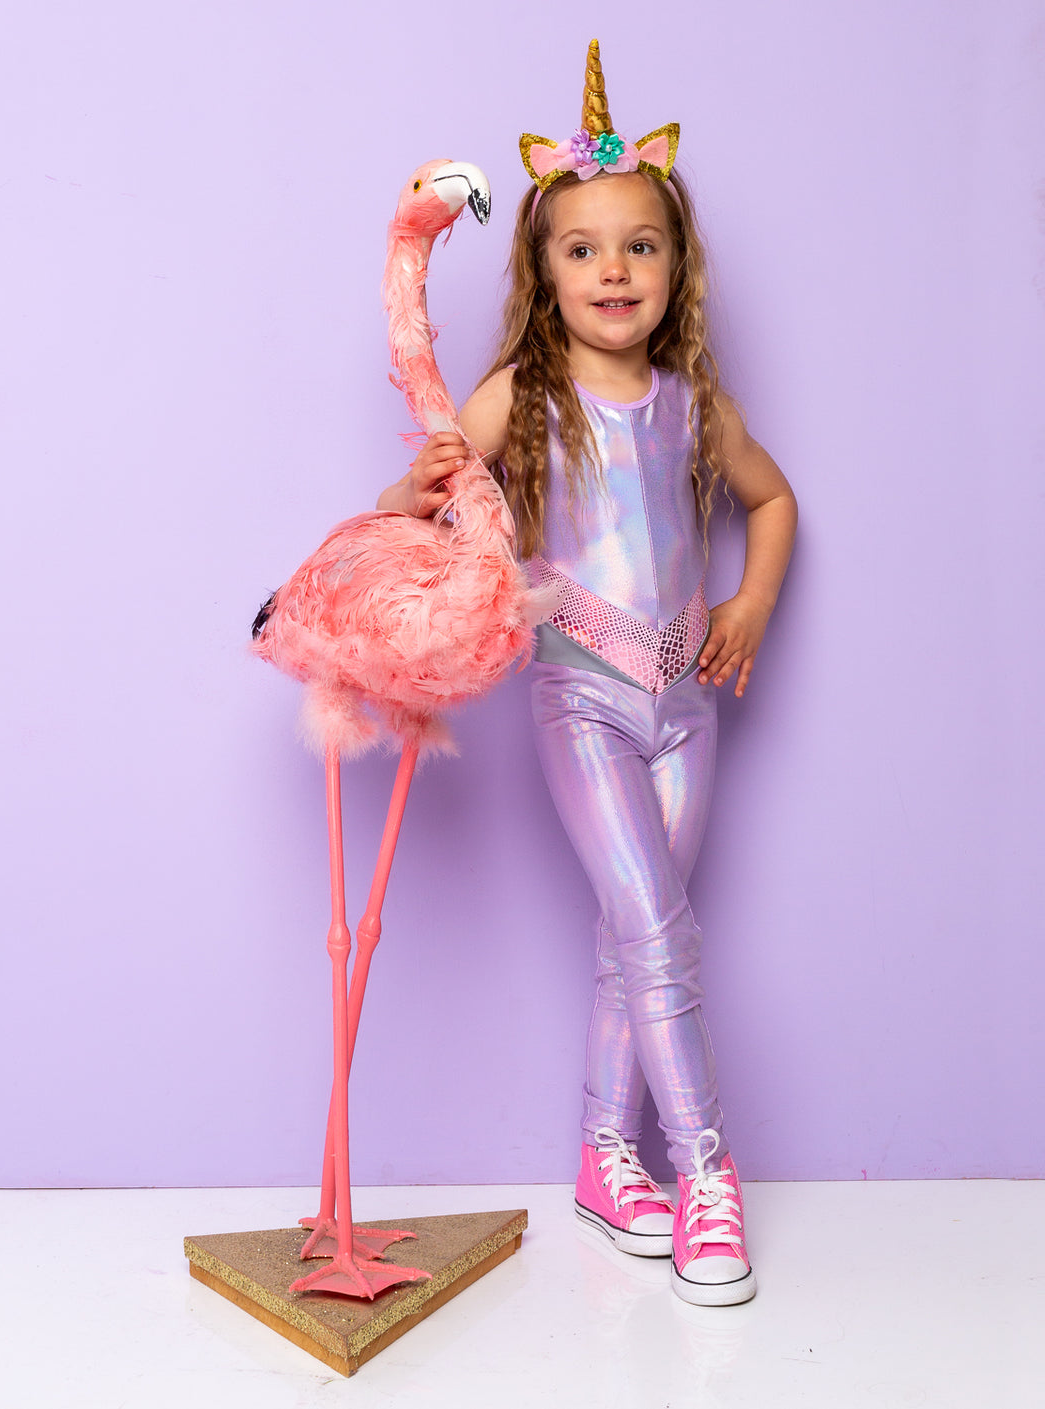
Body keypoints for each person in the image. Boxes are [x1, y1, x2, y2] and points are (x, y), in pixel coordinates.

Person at [377, 41, 796, 1306]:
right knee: (663, 937)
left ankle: (609, 1160)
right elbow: (417, 510)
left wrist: (751, 601)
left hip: (687, 707)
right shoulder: (526, 399)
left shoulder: (693, 405)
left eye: (640, 246)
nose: (614, 268)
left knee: (633, 939)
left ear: (676, 268)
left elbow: (774, 504)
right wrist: (416, 491)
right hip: (583, 699)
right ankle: (707, 1169)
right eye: (582, 248)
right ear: (544, 269)